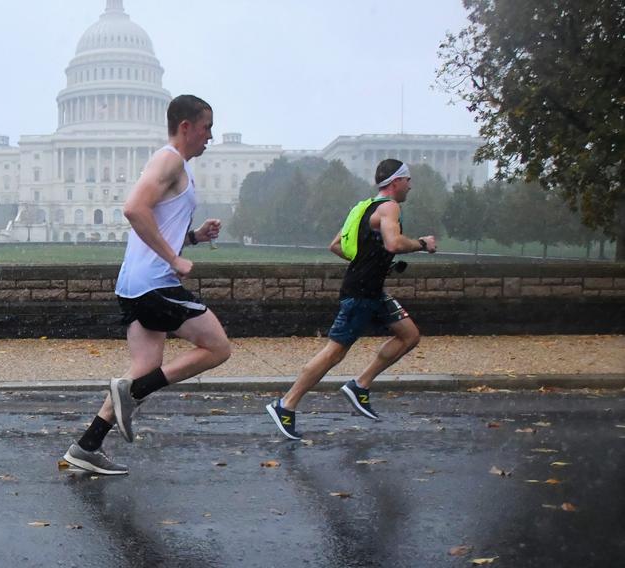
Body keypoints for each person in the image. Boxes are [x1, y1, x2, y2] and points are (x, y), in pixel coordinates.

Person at [63, 94, 231, 474]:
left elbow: (154, 223)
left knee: (145, 366)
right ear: (186, 126)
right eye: (206, 128)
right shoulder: (169, 159)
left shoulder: (173, 165)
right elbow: (133, 209)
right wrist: (173, 259)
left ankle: (87, 447)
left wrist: (192, 239)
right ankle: (132, 392)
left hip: (134, 283)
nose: (210, 136)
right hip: (155, 283)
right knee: (218, 348)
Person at [266, 159, 437, 440]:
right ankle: (285, 404)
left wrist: (373, 262)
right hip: (360, 294)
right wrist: (422, 244)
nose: (410, 185)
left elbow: (335, 246)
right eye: (408, 180)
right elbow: (394, 244)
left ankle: (360, 385)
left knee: (409, 335)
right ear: (396, 182)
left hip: (371, 290)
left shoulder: (362, 208)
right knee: (334, 352)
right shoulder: (390, 207)